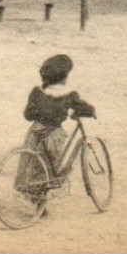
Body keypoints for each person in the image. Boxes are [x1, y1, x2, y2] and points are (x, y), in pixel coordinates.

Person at [18, 53, 98, 198]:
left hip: (36, 130)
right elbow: (85, 108)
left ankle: (32, 194)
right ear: (64, 77)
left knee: (33, 163)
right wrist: (90, 112)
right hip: (54, 134)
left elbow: (28, 115)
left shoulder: (37, 92)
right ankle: (43, 194)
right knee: (52, 168)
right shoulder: (69, 95)